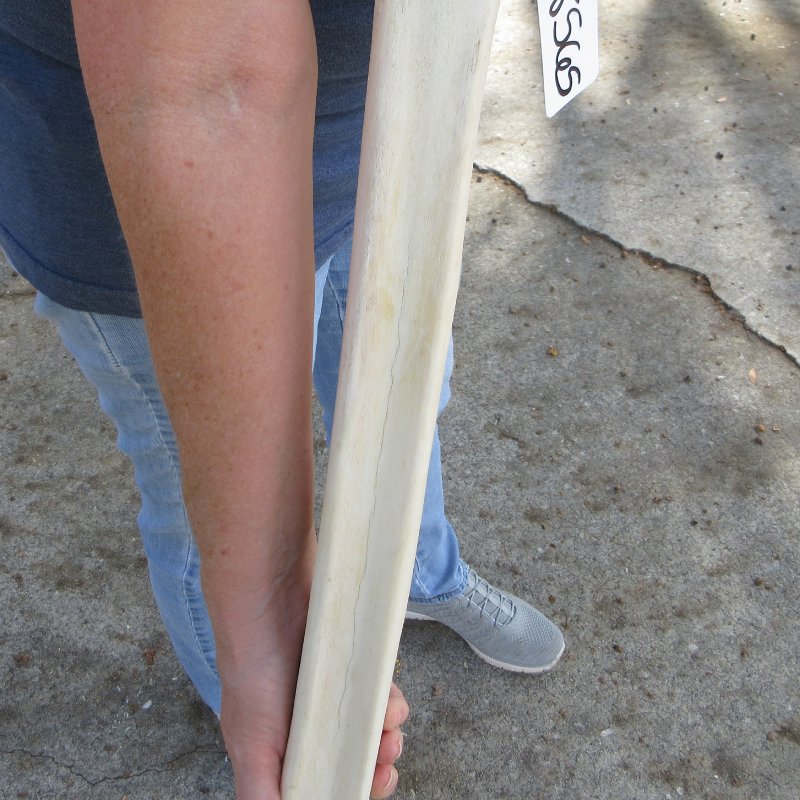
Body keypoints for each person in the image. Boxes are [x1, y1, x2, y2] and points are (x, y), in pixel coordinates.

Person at [0, 1, 564, 797]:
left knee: (406, 403)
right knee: (209, 507)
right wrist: (272, 608)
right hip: (179, 197)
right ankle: (262, 716)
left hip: (379, 131)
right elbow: (210, 80)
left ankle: (416, 577)